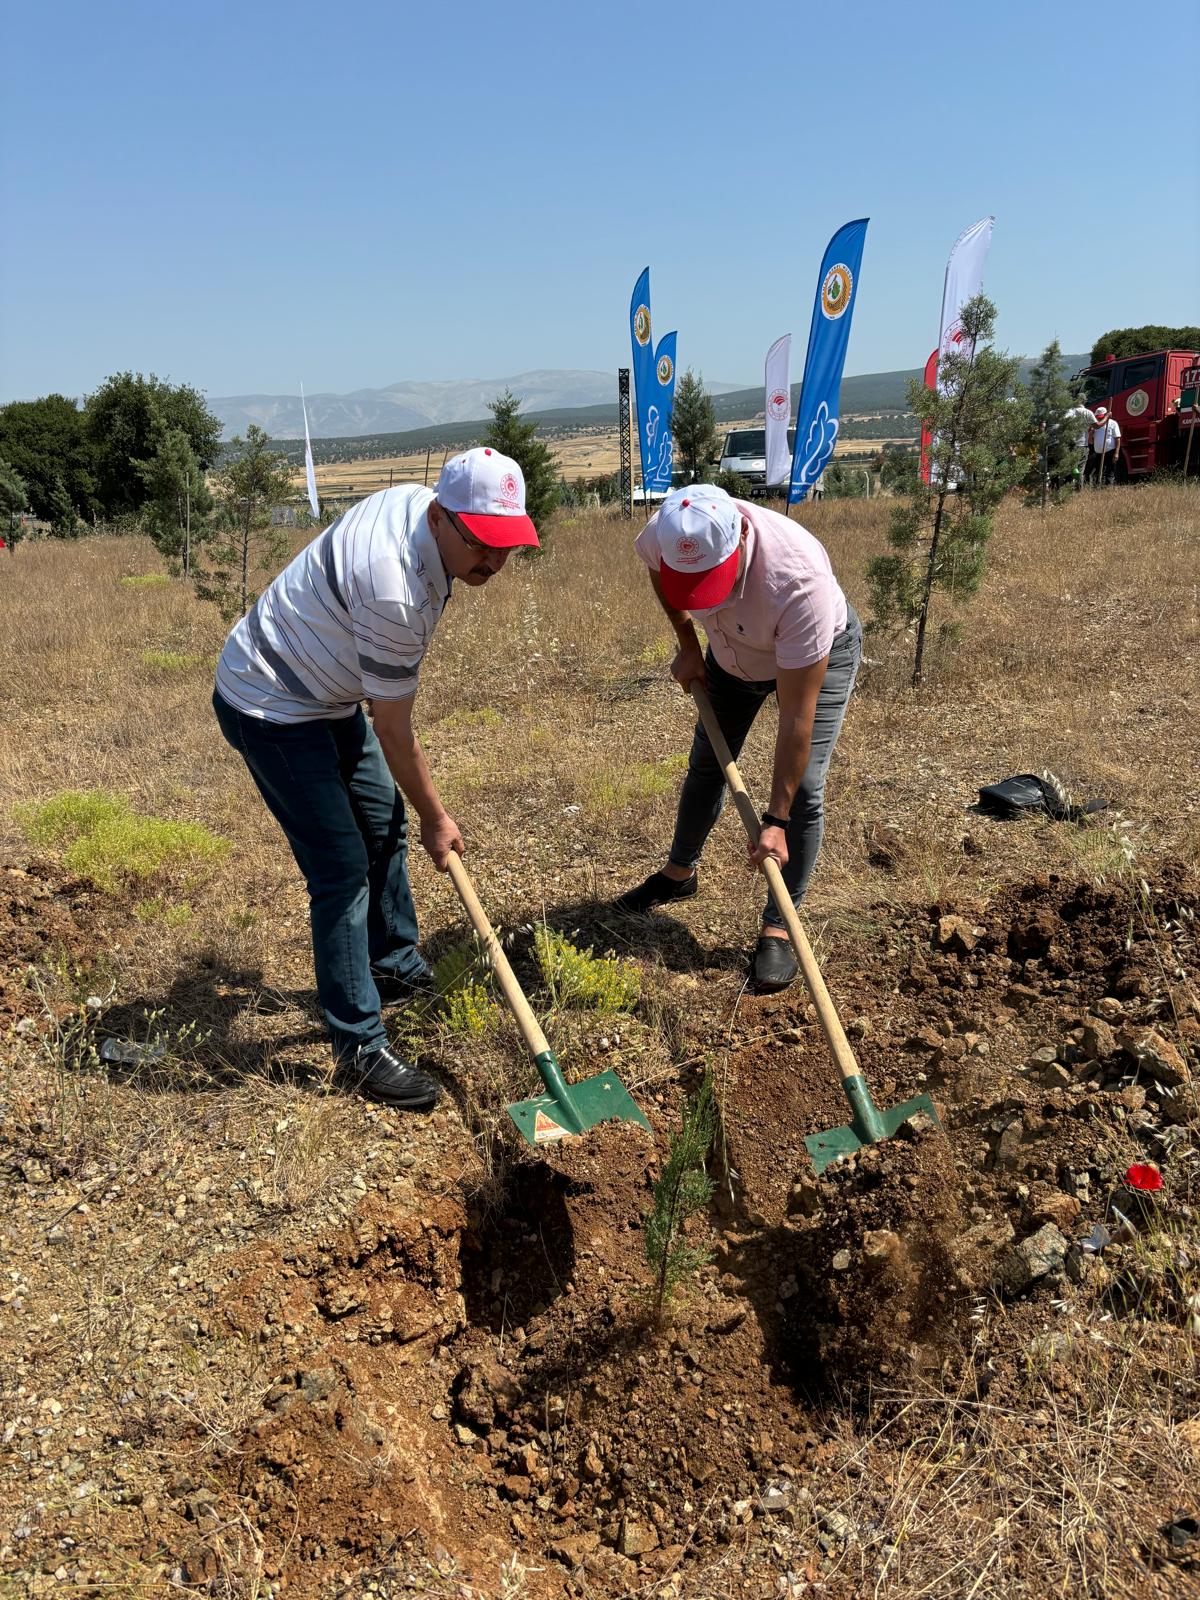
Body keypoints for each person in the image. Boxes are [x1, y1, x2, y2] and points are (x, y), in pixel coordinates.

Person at [213, 447, 539, 1109]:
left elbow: (381, 712)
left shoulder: (424, 517)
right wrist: (437, 816)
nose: (495, 562)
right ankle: (359, 1047)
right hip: (270, 704)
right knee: (341, 867)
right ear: (443, 518)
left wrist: (414, 812)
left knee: (382, 819)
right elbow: (393, 729)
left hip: (326, 693)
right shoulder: (394, 585)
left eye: (508, 545)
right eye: (483, 544)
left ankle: (392, 962)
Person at [614, 484, 861, 991]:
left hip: (814, 653)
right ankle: (679, 874)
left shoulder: (797, 581)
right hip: (731, 657)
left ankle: (778, 926)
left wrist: (774, 820)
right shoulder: (669, 531)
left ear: (740, 540)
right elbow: (658, 575)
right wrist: (688, 642)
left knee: (805, 791)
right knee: (707, 762)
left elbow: (796, 717)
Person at [1084, 406, 1121, 487]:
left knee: (1109, 472)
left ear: (1105, 415)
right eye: (1097, 417)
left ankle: (1108, 488)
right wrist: (1091, 434)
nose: (1099, 419)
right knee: (1098, 472)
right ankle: (1098, 488)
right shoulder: (1095, 426)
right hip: (1098, 453)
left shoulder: (1112, 423)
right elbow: (1090, 442)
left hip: (1110, 452)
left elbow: (1117, 438)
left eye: (1101, 417)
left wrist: (1116, 453)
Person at [1065, 400, 1096, 491]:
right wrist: (1107, 417)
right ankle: (1079, 488)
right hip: (1083, 445)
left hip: (1072, 445)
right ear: (1084, 402)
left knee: (1073, 468)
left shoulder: (1069, 412)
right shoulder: (1087, 412)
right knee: (1081, 468)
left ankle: (1072, 486)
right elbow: (1097, 425)